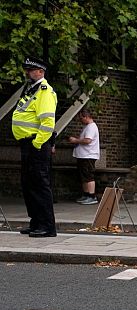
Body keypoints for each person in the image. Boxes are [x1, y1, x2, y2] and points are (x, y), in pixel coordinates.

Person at [12, 57, 58, 238]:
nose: (28, 73)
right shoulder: (32, 90)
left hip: (36, 144)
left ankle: (47, 226)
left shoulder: (44, 91)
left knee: (40, 185)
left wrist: (37, 144)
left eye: (31, 70)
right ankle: (37, 222)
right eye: (27, 70)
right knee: (29, 185)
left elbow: (47, 122)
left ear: (41, 71)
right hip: (28, 144)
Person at [68, 109, 100, 205]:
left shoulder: (91, 127)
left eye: (81, 118)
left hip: (88, 155)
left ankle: (92, 196)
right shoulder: (87, 127)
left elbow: (87, 141)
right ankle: (86, 195)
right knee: (84, 176)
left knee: (88, 176)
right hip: (84, 155)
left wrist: (75, 140)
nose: (80, 120)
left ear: (86, 117)